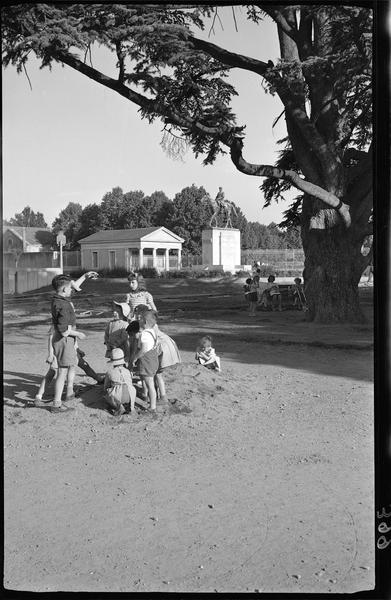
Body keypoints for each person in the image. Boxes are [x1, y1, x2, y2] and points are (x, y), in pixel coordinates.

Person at [49, 274, 87, 413]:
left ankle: (63, 397)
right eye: (70, 289)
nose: (73, 290)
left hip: (59, 340)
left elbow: (73, 287)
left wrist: (84, 277)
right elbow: (65, 331)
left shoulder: (57, 299)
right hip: (64, 340)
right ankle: (56, 404)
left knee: (64, 369)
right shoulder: (64, 306)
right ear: (64, 290)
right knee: (62, 372)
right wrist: (79, 335)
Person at [134, 304, 181, 407]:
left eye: (139, 317)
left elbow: (145, 346)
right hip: (159, 349)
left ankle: (153, 399)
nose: (137, 319)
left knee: (153, 377)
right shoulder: (151, 326)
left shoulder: (148, 329)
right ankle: (160, 396)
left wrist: (136, 356)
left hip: (160, 349)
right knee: (156, 375)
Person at [132, 310, 160, 411]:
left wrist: (135, 357)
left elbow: (143, 350)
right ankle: (149, 400)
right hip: (153, 358)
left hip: (147, 360)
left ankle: (152, 406)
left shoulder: (144, 334)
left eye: (140, 320)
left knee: (149, 383)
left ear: (145, 322)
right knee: (149, 382)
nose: (138, 321)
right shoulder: (152, 331)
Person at [104, 348, 136, 417]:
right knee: (129, 389)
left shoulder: (110, 372)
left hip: (118, 394)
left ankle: (118, 406)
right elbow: (130, 382)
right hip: (130, 393)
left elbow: (105, 386)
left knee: (107, 395)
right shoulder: (128, 371)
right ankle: (131, 407)